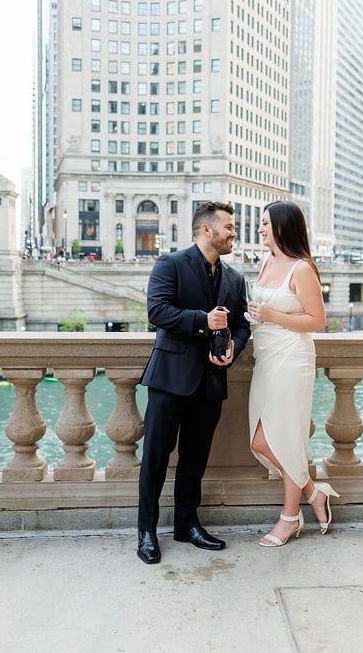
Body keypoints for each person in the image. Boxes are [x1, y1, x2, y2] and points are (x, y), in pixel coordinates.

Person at [136, 201, 251, 565]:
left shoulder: (235, 278)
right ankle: (146, 532)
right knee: (155, 458)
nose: (234, 233)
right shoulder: (170, 264)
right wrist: (204, 321)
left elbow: (244, 325)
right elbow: (157, 312)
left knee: (195, 460)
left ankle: (187, 525)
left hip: (211, 382)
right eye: (229, 227)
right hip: (170, 379)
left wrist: (235, 345)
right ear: (206, 229)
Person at [246, 201, 337, 547]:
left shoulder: (302, 269)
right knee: (259, 439)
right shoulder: (266, 261)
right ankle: (314, 494)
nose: (260, 229)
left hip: (292, 358)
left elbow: (317, 321)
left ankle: (289, 517)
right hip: (265, 357)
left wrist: (270, 315)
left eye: (266, 223)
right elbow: (261, 312)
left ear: (283, 226)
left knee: (284, 438)